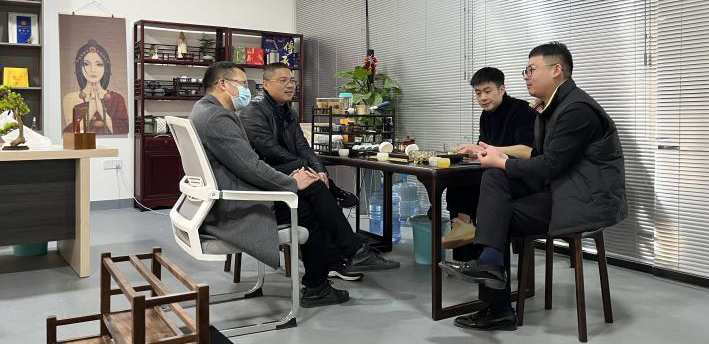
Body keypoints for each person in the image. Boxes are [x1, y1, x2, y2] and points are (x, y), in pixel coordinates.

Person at [440, 42, 627, 331]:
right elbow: (543, 159)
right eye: (525, 70)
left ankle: (497, 301)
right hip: (562, 191)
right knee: (493, 183)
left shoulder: (576, 110)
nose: (526, 76)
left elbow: (548, 164)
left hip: (584, 201)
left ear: (556, 70)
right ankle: (491, 269)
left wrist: (503, 162)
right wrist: (503, 161)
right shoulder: (554, 107)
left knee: (496, 212)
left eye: (531, 69)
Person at [190, 62, 398, 309]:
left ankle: (324, 280)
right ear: (223, 84)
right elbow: (251, 166)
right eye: (243, 84)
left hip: (228, 198)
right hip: (237, 207)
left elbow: (296, 149)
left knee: (310, 198)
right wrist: (292, 182)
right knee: (311, 194)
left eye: (292, 80)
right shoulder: (219, 118)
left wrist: (311, 173)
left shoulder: (204, 110)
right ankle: (348, 256)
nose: (247, 89)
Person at [240, 62, 362, 281]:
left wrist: (320, 170)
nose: (290, 85)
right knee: (317, 195)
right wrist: (307, 168)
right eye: (283, 81)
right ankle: (347, 253)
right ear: (265, 84)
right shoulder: (252, 111)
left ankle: (334, 263)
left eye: (292, 80)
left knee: (317, 195)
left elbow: (303, 146)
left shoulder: (289, 112)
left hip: (290, 173)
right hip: (268, 178)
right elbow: (270, 150)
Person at [442, 67, 537, 262]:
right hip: (494, 172)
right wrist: (473, 151)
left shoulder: (522, 111)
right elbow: (484, 147)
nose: (482, 98)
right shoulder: (486, 115)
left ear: (501, 89)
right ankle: (464, 247)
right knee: (457, 180)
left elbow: (528, 151)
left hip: (519, 177)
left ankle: (475, 246)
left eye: (487, 91)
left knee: (481, 182)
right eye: (478, 93)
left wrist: (491, 150)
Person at [62, 40, 128, 134]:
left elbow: (123, 131)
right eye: (86, 64)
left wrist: (101, 110)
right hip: (83, 143)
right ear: (79, 68)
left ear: (106, 68)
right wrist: (90, 111)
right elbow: (69, 135)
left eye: (99, 64)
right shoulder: (70, 98)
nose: (93, 70)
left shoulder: (117, 99)